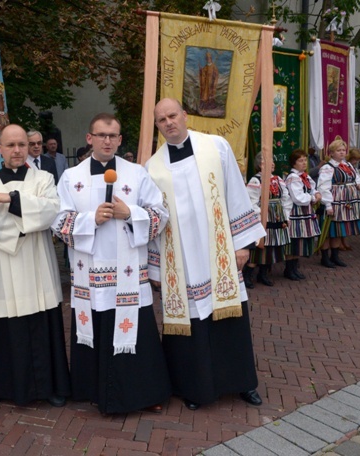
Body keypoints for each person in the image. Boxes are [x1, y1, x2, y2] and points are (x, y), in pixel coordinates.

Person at [147, 98, 266, 410]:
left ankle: (242, 384)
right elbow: (154, 221)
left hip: (220, 254)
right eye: (162, 120)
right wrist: (157, 270)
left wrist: (243, 244)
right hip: (183, 261)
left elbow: (236, 194)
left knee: (230, 323)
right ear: (157, 126)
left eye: (173, 115)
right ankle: (195, 388)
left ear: (185, 116)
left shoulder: (216, 147)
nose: (169, 122)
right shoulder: (153, 167)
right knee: (191, 328)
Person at [52, 113, 171, 414]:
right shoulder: (71, 177)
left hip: (127, 272)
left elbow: (161, 215)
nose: (108, 140)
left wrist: (129, 213)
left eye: (113, 136)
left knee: (134, 330)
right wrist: (91, 219)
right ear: (89, 138)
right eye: (101, 135)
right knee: (97, 327)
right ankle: (93, 389)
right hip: (89, 274)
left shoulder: (137, 173)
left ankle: (142, 393)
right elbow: (59, 222)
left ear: (119, 140)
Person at [0, 124, 70, 409]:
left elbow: (50, 211)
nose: (17, 150)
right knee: (2, 326)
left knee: (42, 323)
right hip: (1, 264)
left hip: (37, 263)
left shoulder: (44, 178)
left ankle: (50, 386)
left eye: (22, 145)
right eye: (10, 145)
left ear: (28, 147)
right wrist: (25, 216)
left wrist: (11, 200)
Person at [316, 137, 360, 268]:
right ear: (331, 153)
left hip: (347, 202)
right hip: (335, 201)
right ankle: (325, 257)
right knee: (328, 230)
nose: (342, 153)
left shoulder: (348, 165)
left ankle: (335, 256)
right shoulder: (328, 167)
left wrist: (359, 184)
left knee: (339, 229)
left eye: (343, 150)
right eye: (338, 150)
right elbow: (323, 186)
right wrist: (328, 204)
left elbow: (357, 177)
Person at [244, 153, 292, 286]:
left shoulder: (277, 180)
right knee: (259, 245)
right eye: (268, 161)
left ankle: (263, 274)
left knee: (271, 245)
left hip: (277, 216)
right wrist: (260, 216)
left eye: (272, 161)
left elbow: (285, 198)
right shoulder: (256, 181)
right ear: (260, 164)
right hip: (262, 217)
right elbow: (251, 202)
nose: (272, 164)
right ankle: (247, 275)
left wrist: (286, 216)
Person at [284, 149, 322, 280]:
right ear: (294, 163)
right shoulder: (293, 177)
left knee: (299, 240)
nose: (304, 163)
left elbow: (312, 188)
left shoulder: (304, 176)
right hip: (296, 212)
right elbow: (297, 198)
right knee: (294, 240)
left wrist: (316, 193)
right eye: (301, 160)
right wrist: (312, 198)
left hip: (305, 212)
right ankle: (289, 269)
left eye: (305, 160)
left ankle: (294, 268)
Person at [340, 148, 360, 251]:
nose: (356, 162)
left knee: (348, 219)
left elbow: (357, 178)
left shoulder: (351, 167)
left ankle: (344, 241)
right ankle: (341, 242)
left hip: (351, 195)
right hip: (343, 195)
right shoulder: (342, 166)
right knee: (342, 218)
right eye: (354, 159)